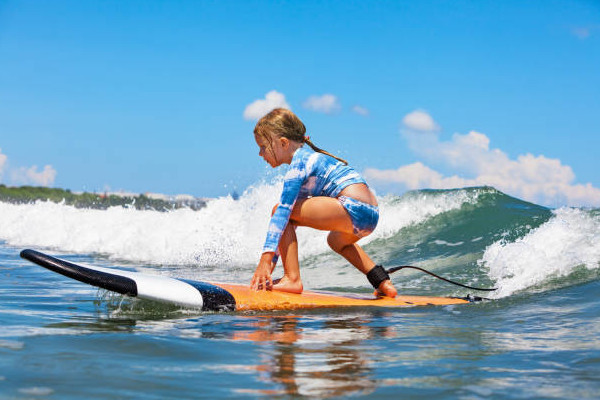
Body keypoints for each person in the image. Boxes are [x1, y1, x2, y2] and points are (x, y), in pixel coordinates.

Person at [250, 108, 397, 298]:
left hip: (351, 205)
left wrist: (265, 259)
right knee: (336, 241)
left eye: (263, 146)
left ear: (283, 143)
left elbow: (282, 215)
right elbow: (285, 227)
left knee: (279, 209)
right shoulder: (310, 161)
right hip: (370, 214)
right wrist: (269, 267)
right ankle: (382, 282)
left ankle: (292, 279)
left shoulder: (299, 164)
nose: (261, 154)